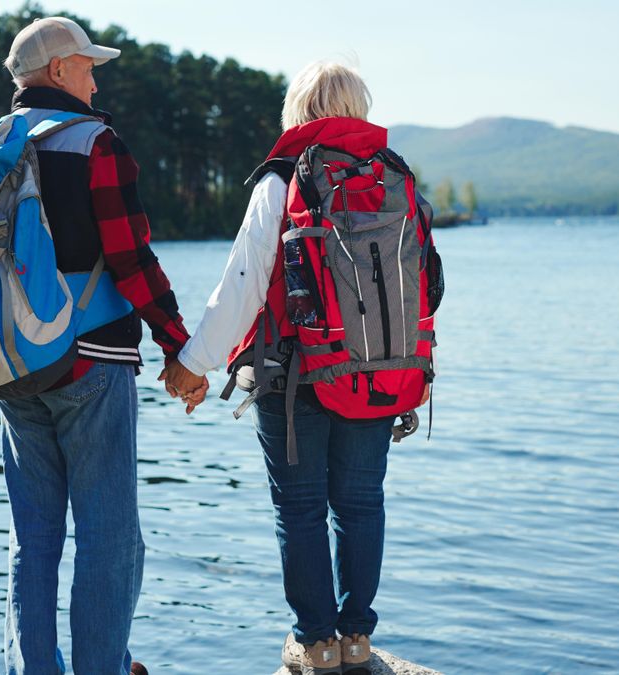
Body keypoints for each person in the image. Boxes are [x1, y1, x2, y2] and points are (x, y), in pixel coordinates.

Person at [171, 61, 431, 675]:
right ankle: (357, 639)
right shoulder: (395, 179)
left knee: (301, 508)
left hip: (293, 376)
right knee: (361, 504)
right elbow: (426, 284)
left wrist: (192, 363)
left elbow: (243, 282)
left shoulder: (284, 179)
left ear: (299, 111)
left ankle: (315, 643)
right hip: (378, 372)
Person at [0, 16, 201, 675]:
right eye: (87, 67)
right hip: (91, 363)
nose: (95, 81)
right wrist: (179, 345)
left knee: (33, 539)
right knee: (109, 539)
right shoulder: (95, 143)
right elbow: (130, 258)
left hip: (12, 366)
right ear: (58, 71)